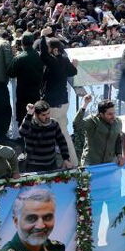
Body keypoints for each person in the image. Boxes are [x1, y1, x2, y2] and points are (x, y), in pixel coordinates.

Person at [37, 30, 79, 163]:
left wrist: (43, 36)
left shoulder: (54, 62)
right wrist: (74, 65)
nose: (48, 51)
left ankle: (49, 162)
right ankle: (73, 162)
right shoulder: (64, 60)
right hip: (63, 103)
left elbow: (43, 54)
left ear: (54, 50)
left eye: (49, 48)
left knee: (47, 133)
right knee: (64, 133)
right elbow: (73, 71)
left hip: (52, 104)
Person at [18, 100, 72, 172]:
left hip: (51, 164)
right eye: (43, 115)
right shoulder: (29, 124)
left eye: (48, 113)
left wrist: (66, 159)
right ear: (36, 115)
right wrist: (29, 114)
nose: (47, 117)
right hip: (34, 166)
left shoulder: (54, 123)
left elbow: (62, 142)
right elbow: (22, 132)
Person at [72, 95, 125, 166]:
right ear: (101, 114)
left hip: (110, 163)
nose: (113, 117)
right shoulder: (93, 122)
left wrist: (119, 155)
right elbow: (76, 124)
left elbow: (118, 140)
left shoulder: (118, 122)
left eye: (114, 113)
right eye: (109, 114)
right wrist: (85, 105)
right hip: (91, 164)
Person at [8, 31, 44, 125]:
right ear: (32, 42)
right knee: (36, 116)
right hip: (36, 91)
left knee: (23, 116)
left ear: (22, 43)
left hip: (23, 93)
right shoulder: (39, 56)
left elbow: (11, 73)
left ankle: (23, 139)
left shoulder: (19, 58)